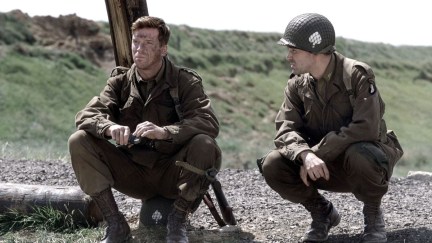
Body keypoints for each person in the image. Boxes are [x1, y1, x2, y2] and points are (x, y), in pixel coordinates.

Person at [68, 16, 221, 243]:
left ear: (163, 49)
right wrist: (110, 128)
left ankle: (177, 221)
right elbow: (86, 116)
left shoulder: (184, 82)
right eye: (136, 41)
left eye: (148, 43)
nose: (139, 48)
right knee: (79, 140)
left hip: (173, 173)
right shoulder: (119, 82)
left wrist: (166, 132)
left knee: (205, 144)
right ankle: (115, 223)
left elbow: (208, 122)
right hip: (133, 173)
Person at [259, 13, 403, 243]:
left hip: (360, 164)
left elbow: (366, 127)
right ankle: (322, 213)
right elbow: (285, 129)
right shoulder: (297, 83)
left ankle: (373, 213)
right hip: (320, 167)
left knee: (361, 152)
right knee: (273, 163)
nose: (288, 57)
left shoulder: (356, 75)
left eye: (294, 50)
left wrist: (317, 153)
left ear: (314, 50)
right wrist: (305, 154)